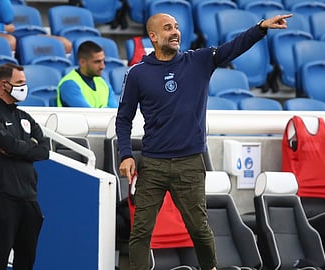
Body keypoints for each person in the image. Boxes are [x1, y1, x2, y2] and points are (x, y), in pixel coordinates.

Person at [116, 12, 292, 270]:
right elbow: (123, 119)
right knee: (141, 231)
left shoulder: (198, 60)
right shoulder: (137, 74)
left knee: (199, 230)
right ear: (153, 36)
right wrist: (126, 154)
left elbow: (233, 48)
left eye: (176, 27)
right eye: (167, 28)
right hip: (152, 164)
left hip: (190, 164)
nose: (175, 32)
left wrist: (260, 28)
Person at [0, 63, 50, 269]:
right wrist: (26, 148)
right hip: (2, 195)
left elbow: (44, 150)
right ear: (3, 84)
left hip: (28, 196)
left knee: (26, 259)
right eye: (19, 83)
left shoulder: (25, 117)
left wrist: (17, 150)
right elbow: (6, 143)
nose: (24, 87)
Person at [0, 0, 72, 53]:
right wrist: (1, 28)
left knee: (64, 43)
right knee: (9, 41)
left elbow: (7, 18)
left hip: (12, 32)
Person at [56, 40, 118, 108]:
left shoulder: (104, 83)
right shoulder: (69, 84)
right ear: (82, 62)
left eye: (103, 61)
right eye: (97, 62)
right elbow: (88, 114)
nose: (102, 66)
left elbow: (115, 111)